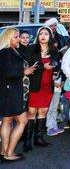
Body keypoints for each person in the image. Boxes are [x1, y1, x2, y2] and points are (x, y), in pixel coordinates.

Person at [0, 28, 36, 162]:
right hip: (11, 92)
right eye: (16, 37)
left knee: (8, 120)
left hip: (14, 91)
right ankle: (8, 153)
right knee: (21, 121)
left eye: (18, 36)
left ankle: (5, 152)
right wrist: (24, 71)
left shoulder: (14, 51)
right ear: (8, 38)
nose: (19, 39)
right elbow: (7, 72)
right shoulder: (5, 52)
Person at [23, 27, 59, 151]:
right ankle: (27, 141)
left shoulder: (53, 49)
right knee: (31, 112)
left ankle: (38, 138)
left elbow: (57, 64)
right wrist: (44, 67)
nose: (43, 36)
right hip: (34, 85)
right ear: (38, 36)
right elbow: (28, 66)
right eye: (41, 34)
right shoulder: (31, 49)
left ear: (50, 36)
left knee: (43, 111)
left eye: (46, 34)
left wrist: (55, 69)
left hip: (48, 86)